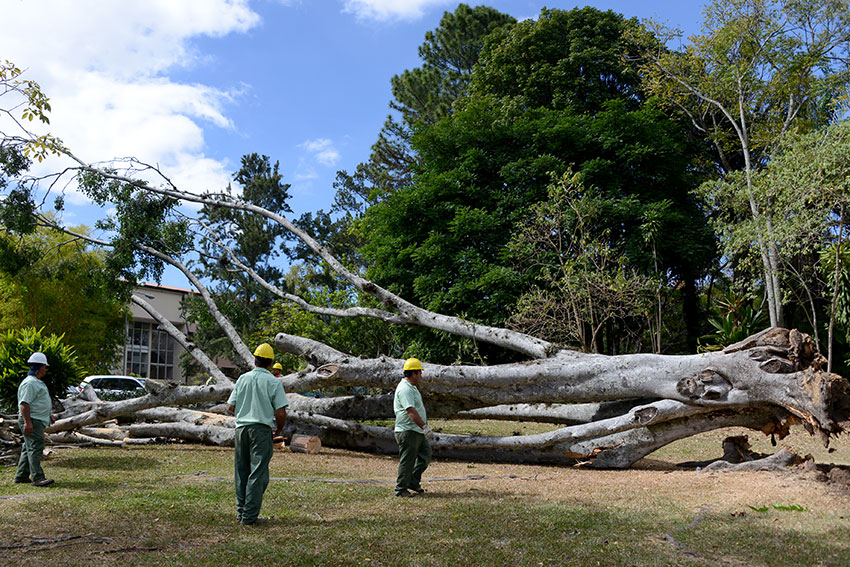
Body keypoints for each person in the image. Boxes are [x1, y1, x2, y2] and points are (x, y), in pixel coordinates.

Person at [226, 343, 289, 526]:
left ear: (255, 361)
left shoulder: (242, 379)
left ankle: (241, 513)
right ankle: (249, 516)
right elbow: (280, 412)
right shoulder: (273, 382)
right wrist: (279, 429)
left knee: (241, 471)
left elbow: (230, 406)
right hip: (261, 429)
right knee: (258, 473)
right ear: (270, 364)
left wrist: (245, 410)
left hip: (241, 429)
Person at [393, 357, 433, 497]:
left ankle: (413, 481)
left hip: (416, 430)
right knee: (408, 460)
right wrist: (424, 426)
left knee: (425, 455)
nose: (421, 375)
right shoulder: (405, 389)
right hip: (408, 430)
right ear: (413, 373)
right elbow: (411, 411)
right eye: (419, 373)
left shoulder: (412, 388)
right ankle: (400, 489)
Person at [15, 352, 55, 487]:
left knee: (28, 448)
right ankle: (38, 478)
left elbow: (37, 402)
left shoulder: (36, 382)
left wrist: (48, 414)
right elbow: (24, 404)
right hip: (32, 420)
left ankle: (21, 475)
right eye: (44, 366)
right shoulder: (30, 383)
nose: (45, 369)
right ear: (40, 367)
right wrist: (27, 422)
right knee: (36, 448)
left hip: (36, 419)